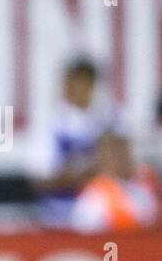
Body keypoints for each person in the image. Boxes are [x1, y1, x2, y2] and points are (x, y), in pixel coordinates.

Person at [27, 58, 133, 229]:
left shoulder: (112, 118)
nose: (81, 88)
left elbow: (127, 169)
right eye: (76, 81)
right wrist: (83, 174)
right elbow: (40, 179)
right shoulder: (53, 124)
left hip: (107, 207)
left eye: (86, 81)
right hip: (62, 211)